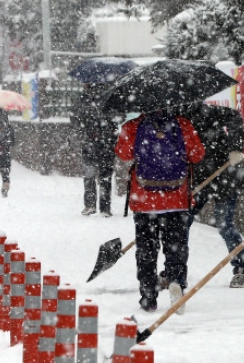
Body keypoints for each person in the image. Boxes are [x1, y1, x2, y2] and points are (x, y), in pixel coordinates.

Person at [115, 109, 205, 313]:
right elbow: (197, 154)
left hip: (145, 200)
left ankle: (148, 295)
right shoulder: (183, 124)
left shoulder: (133, 126)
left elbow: (123, 153)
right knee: (176, 247)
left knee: (146, 249)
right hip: (177, 199)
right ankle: (176, 282)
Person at [171, 103, 244, 288]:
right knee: (181, 225)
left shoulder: (206, 112)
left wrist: (235, 148)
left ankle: (242, 270)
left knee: (224, 225)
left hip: (223, 176)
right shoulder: (172, 120)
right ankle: (175, 273)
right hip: (196, 181)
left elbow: (235, 118)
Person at [73, 83, 118, 217]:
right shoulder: (87, 99)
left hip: (103, 143)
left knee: (95, 175)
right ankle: (98, 206)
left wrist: (100, 131)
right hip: (97, 143)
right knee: (96, 175)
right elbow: (76, 119)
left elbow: (114, 121)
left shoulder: (107, 98)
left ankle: (95, 206)